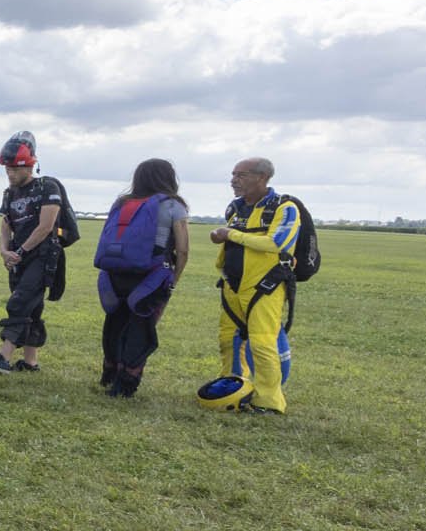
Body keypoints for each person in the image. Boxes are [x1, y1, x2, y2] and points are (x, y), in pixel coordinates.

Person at [200, 156, 303, 414]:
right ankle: (233, 389)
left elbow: (277, 243)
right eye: (233, 175)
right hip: (232, 286)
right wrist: (220, 237)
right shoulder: (235, 208)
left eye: (241, 175)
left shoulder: (285, 208)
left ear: (262, 177)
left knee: (262, 343)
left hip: (264, 288)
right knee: (228, 340)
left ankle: (269, 402)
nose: (234, 181)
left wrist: (230, 234)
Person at [0, 132, 70, 375]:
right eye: (7, 169)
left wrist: (20, 251)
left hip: (43, 255)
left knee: (20, 302)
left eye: (15, 169)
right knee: (32, 307)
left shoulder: (47, 187)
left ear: (30, 165)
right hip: (19, 256)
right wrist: (4, 251)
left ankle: (2, 357)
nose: (10, 173)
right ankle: (30, 363)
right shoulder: (10, 193)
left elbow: (46, 226)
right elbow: (6, 225)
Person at [95, 159, 191, 398]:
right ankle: (126, 382)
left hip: (115, 274)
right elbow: (183, 249)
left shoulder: (122, 203)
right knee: (140, 326)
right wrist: (174, 278)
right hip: (152, 276)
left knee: (115, 323)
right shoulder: (172, 205)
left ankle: (109, 373)